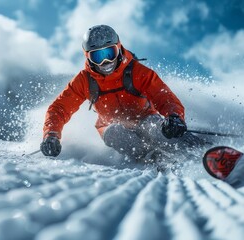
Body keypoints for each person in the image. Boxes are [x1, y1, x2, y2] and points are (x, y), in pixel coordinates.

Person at [40, 24, 204, 161]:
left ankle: (199, 152)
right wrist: (51, 135)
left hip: (144, 117)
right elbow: (59, 108)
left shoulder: (136, 71)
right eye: (98, 56)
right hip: (110, 124)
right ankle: (152, 158)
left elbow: (163, 95)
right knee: (114, 134)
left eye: (109, 53)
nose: (105, 62)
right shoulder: (84, 80)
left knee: (153, 128)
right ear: (88, 57)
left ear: (118, 49)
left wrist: (174, 116)